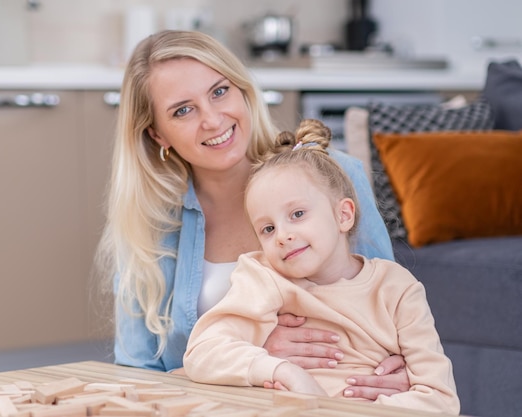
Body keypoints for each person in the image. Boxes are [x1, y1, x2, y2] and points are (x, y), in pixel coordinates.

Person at [98, 29, 410, 399]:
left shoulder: (332, 174)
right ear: (157, 135)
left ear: (243, 90)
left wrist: (404, 371)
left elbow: (392, 311)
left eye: (219, 91)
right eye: (183, 110)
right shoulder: (150, 225)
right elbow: (136, 376)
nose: (213, 120)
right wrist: (254, 358)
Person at [183, 119, 460, 414]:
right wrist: (284, 372)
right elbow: (203, 352)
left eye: (298, 214)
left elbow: (440, 399)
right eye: (267, 229)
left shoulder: (397, 288)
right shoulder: (264, 276)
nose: (282, 235)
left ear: (343, 215)